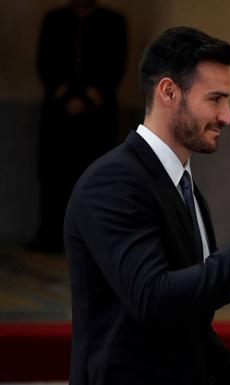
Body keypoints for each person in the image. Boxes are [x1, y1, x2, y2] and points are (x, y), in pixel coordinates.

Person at [64, 26, 230, 385]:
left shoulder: (185, 185)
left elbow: (188, 323)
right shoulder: (112, 182)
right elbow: (154, 301)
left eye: (228, 99)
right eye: (215, 99)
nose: (227, 116)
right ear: (169, 92)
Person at [35, 0, 127, 252]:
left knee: (96, 175)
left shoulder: (112, 21)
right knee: (55, 173)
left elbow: (116, 63)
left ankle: (92, 239)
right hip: (58, 111)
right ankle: (52, 235)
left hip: (98, 115)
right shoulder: (55, 19)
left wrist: (89, 95)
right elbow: (45, 62)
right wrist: (65, 95)